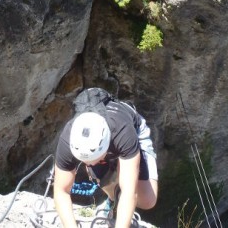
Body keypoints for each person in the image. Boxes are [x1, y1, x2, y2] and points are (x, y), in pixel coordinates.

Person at [54, 92, 158, 228]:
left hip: (134, 132)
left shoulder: (123, 133)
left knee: (147, 200)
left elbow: (129, 191)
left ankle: (119, 202)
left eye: (95, 160)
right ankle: (112, 199)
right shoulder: (67, 140)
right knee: (103, 179)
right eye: (86, 162)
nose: (89, 165)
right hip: (107, 144)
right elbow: (61, 191)